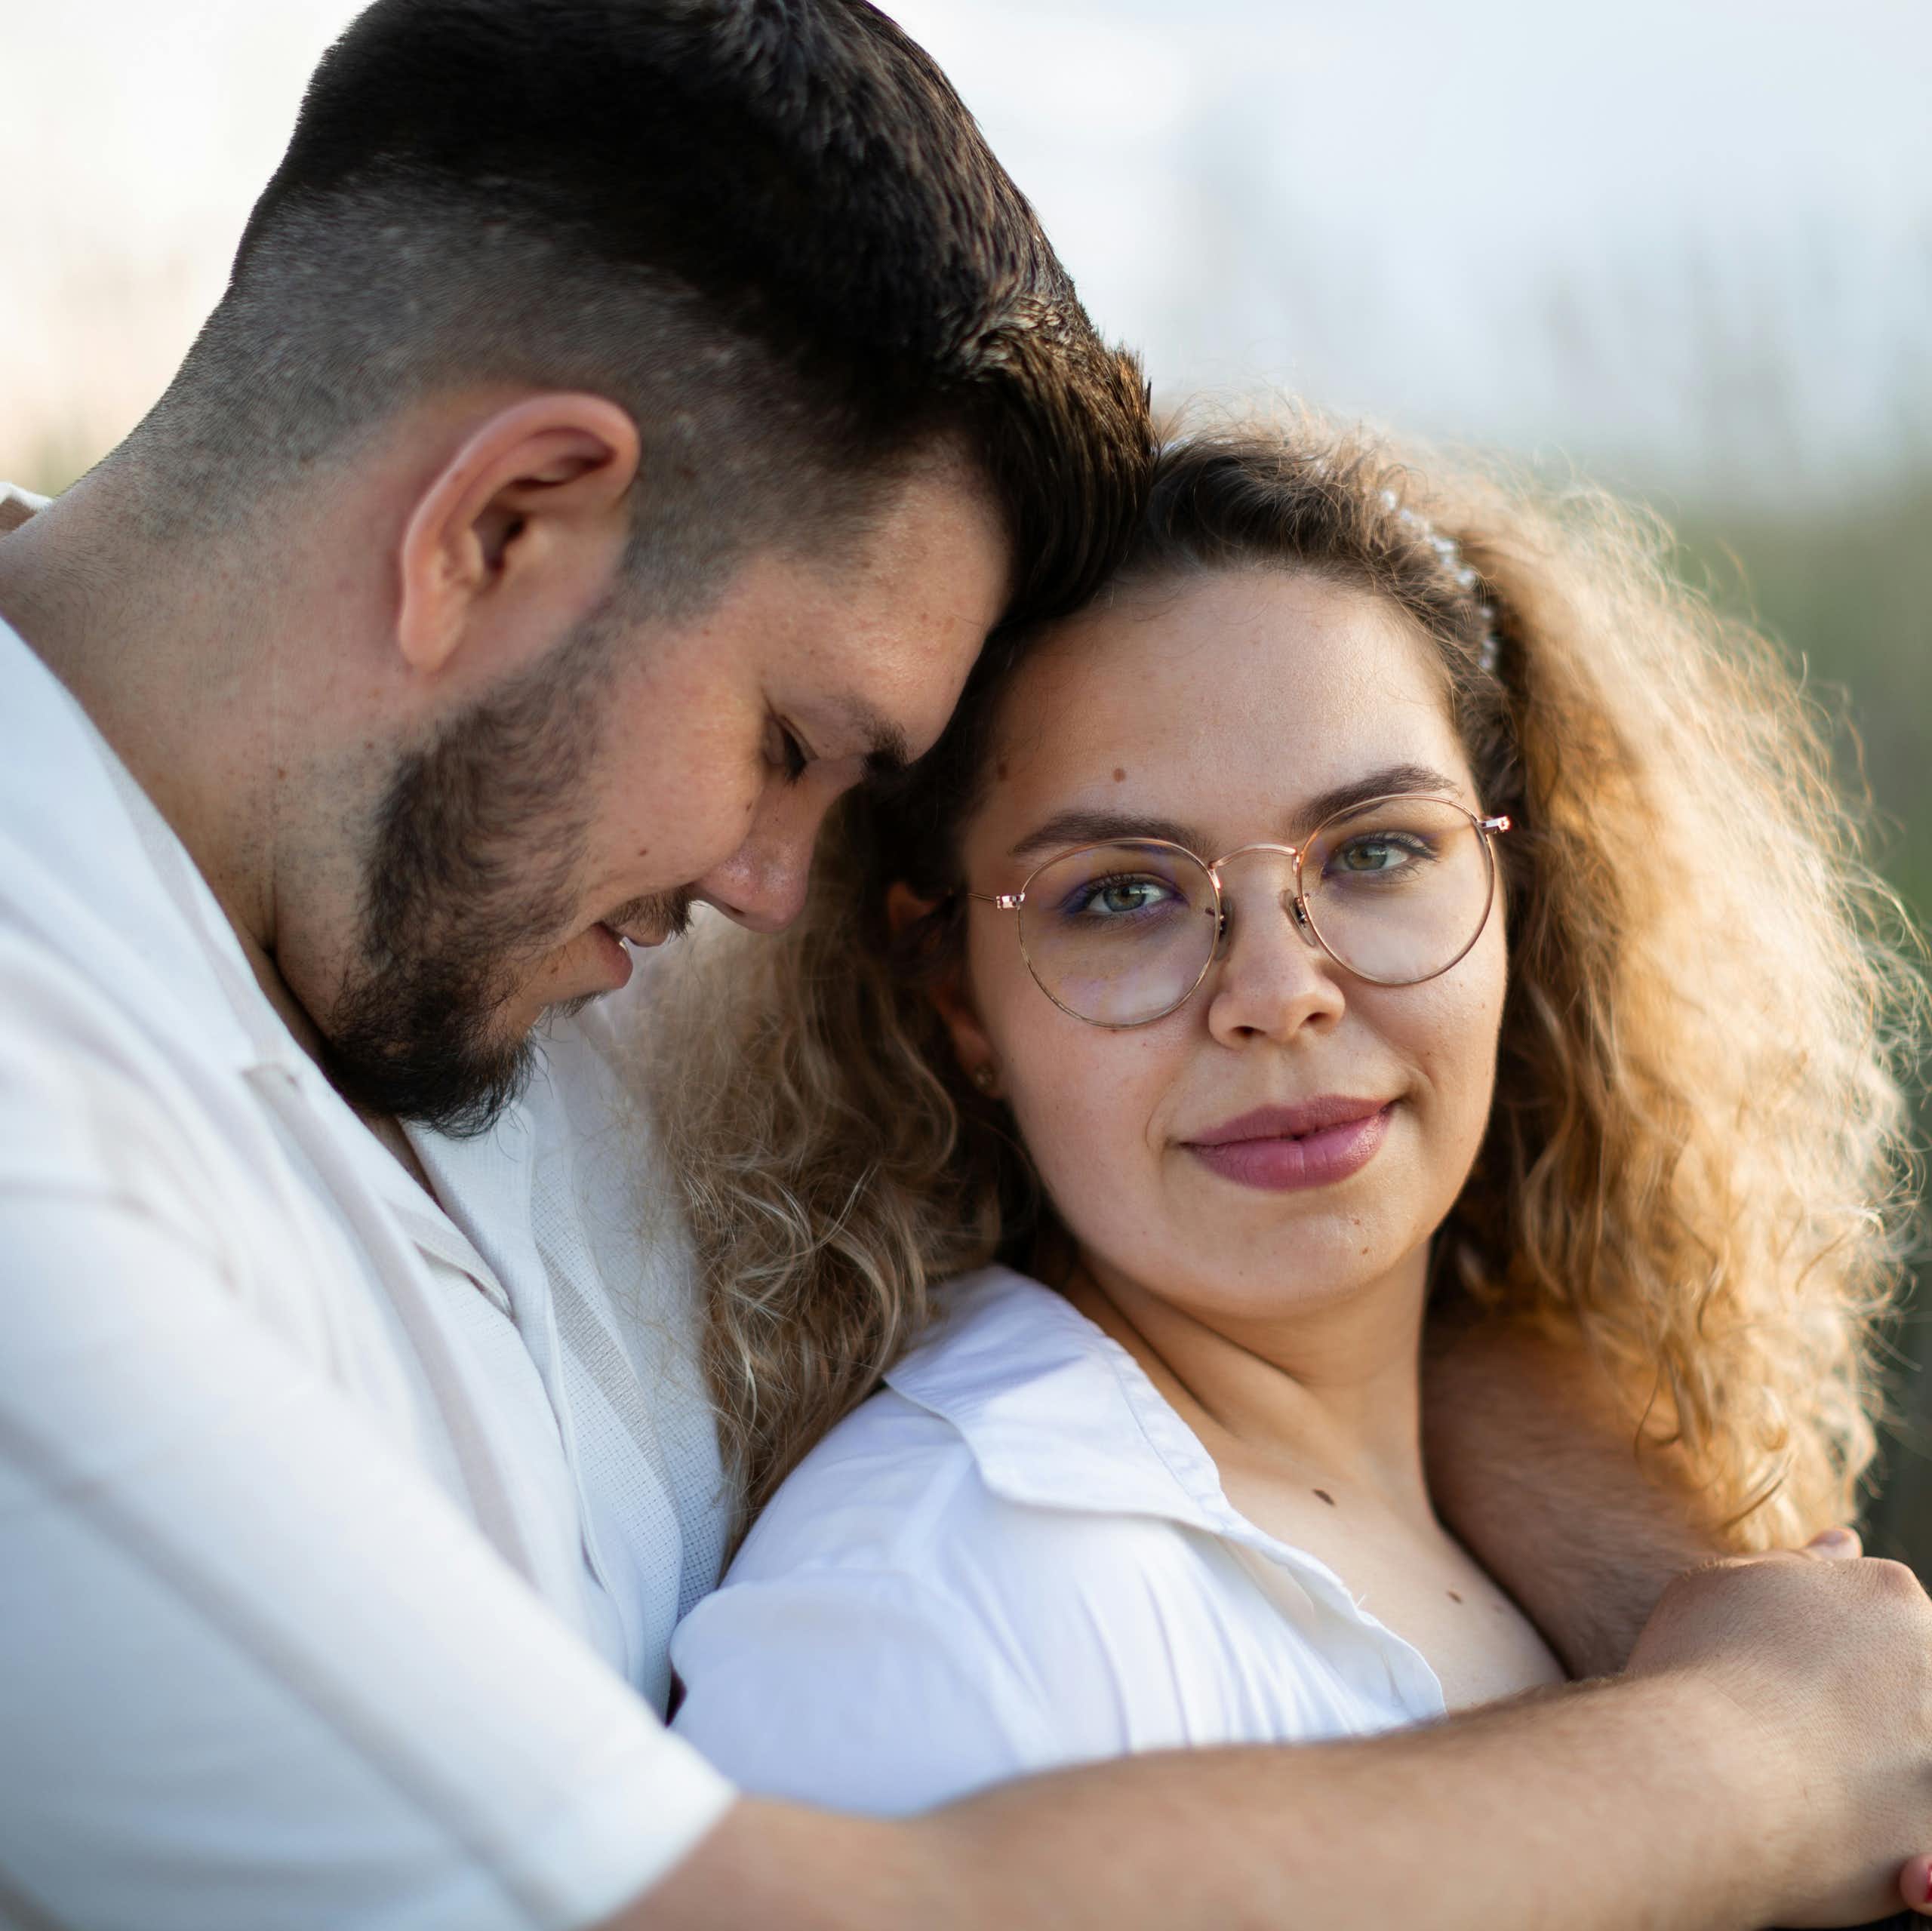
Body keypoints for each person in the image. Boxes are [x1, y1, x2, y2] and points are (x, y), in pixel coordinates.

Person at [0, 1, 1927, 1926]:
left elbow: (1283, 1242)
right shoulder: (46, 1160)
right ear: (505, 527)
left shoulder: (487, 878)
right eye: (790, 740)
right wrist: (1750, 1755)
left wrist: (1672, 1591)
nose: (778, 888)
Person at [657, 417, 1930, 1876]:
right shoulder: (925, 1607)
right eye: (1122, 894)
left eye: (1378, 852)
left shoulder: (1568, 1479)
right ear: (959, 1001)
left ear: (1521, 897)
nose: (1276, 992)